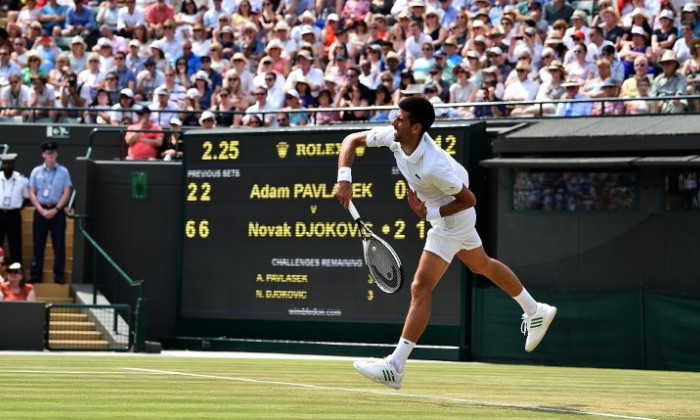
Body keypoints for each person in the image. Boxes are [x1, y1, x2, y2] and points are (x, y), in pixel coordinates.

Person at [336, 97, 557, 390]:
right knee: (482, 265)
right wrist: (345, 179)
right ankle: (534, 309)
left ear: (416, 127)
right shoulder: (394, 137)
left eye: (400, 119)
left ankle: (395, 365)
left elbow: (469, 201)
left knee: (420, 287)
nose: (393, 122)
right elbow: (350, 140)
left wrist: (428, 212)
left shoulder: (433, 166)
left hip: (453, 218)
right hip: (448, 214)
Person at [28, 141, 72, 284]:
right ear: (43, 155)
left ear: (56, 154)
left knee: (59, 244)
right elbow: (32, 193)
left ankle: (58, 274)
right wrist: (41, 210)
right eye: (48, 153)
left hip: (57, 211)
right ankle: (36, 274)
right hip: (40, 210)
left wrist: (57, 209)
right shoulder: (35, 171)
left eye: (52, 153)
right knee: (38, 244)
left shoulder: (63, 171)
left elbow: (66, 192)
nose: (50, 156)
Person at [0, 153, 29, 264]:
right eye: (5, 163)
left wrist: (17, 207)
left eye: (9, 163)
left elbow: (27, 198)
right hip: (0, 213)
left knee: (15, 245)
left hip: (14, 215)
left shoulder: (21, 179)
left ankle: (17, 272)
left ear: (13, 164)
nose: (7, 166)